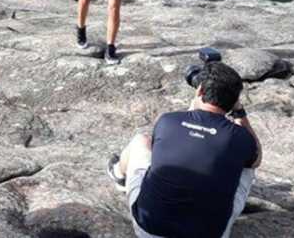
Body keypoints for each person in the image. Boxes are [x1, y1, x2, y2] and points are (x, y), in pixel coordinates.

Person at [108, 62, 262, 238]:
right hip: (210, 234)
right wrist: (240, 114)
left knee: (141, 141)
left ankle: (118, 175)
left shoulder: (168, 121)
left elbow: (184, 142)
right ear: (234, 101)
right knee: (248, 163)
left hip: (149, 229)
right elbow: (256, 160)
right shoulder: (239, 136)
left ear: (200, 91)